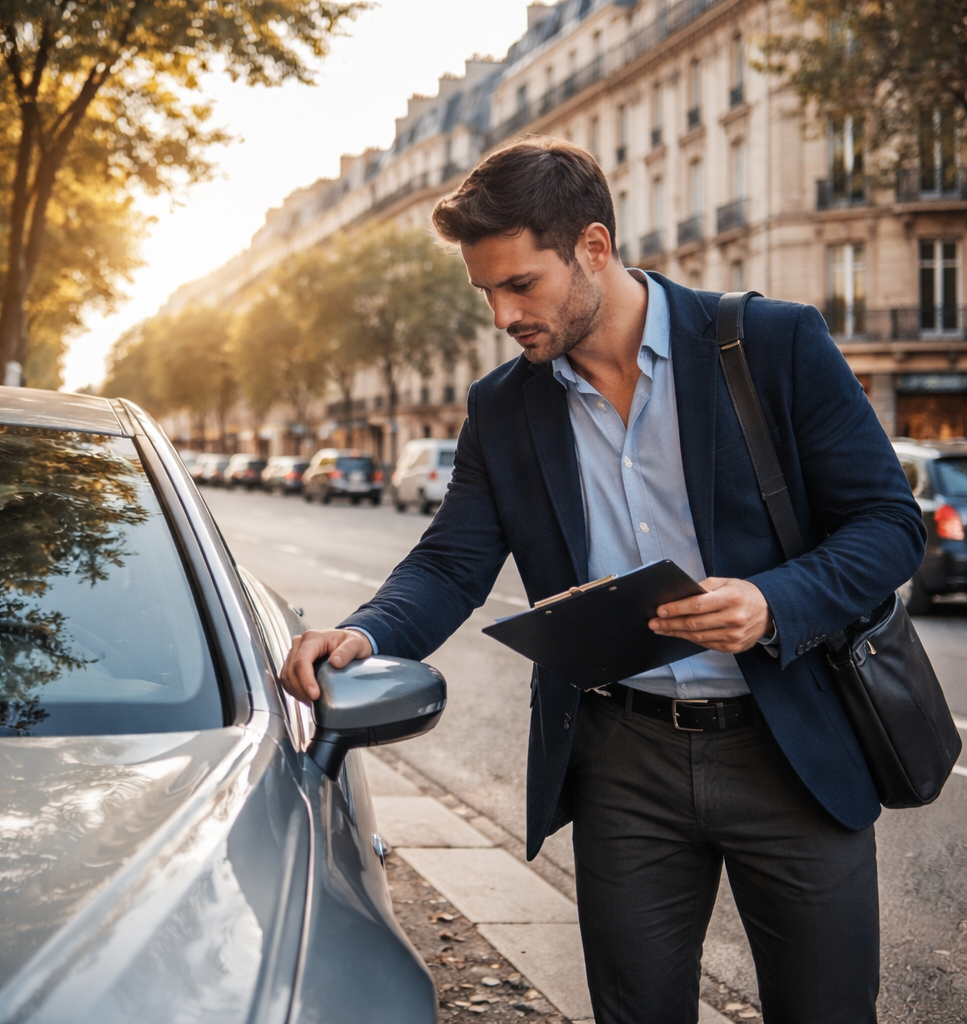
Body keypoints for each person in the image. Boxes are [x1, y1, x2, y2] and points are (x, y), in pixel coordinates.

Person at [281, 138, 926, 1024]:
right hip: (623, 760)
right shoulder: (502, 408)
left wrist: (775, 600)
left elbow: (891, 526)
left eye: (521, 285)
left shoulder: (771, 343)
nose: (505, 315)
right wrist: (363, 634)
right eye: (488, 293)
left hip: (792, 745)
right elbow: (450, 561)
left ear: (593, 247)